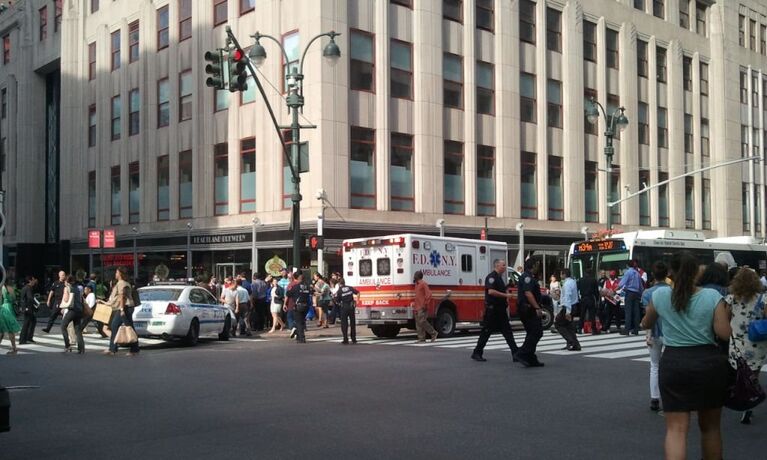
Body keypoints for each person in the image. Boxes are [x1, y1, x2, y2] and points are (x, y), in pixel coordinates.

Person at [641, 252, 731, 460]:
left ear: (671, 271)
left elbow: (646, 322)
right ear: (697, 271)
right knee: (710, 428)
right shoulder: (712, 297)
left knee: (676, 430)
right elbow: (724, 333)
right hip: (708, 363)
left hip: (674, 363)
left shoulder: (660, 295)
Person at [725, 267, 767, 425]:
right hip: (757, 342)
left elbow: (726, 319)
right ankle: (750, 401)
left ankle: (743, 401)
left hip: (737, 342)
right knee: (753, 374)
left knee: (740, 373)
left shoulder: (731, 299)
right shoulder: (763, 298)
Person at [471, 260, 519, 362]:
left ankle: (515, 353)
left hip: (500, 310)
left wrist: (507, 287)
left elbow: (499, 290)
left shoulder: (499, 278)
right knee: (486, 332)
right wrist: (506, 295)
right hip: (493, 311)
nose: (505, 267)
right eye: (503, 265)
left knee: (508, 332)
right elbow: (491, 291)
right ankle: (477, 352)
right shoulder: (491, 277)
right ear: (497, 266)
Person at [641, 261, 671, 412]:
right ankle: (671, 397)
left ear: (653, 274)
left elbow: (648, 316)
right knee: (671, 366)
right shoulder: (673, 291)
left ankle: (654, 398)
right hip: (671, 332)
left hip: (654, 332)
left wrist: (648, 334)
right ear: (667, 274)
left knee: (654, 365)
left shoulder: (647, 293)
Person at [515, 258, 545, 367]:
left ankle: (531, 357)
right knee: (537, 332)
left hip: (527, 309)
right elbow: (528, 293)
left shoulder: (528, 277)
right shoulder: (527, 277)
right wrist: (537, 308)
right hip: (528, 309)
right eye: (536, 265)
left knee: (532, 332)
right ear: (532, 266)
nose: (538, 267)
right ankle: (522, 353)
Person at [106, 267, 140, 356]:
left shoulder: (121, 283)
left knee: (125, 327)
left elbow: (122, 297)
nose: (115, 274)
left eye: (116, 272)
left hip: (125, 308)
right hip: (125, 307)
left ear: (120, 274)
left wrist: (121, 309)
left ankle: (132, 349)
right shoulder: (123, 283)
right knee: (124, 326)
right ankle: (114, 349)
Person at [556, 269, 581, 351]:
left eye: (561, 274)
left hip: (568, 307)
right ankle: (575, 344)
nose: (560, 276)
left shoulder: (567, 284)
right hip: (573, 306)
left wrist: (568, 312)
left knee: (558, 323)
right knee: (569, 326)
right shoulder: (573, 282)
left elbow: (568, 298)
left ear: (564, 274)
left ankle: (571, 341)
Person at [60, 275, 85, 354]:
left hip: (72, 310)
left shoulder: (67, 288)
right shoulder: (78, 288)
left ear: (67, 281)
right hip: (79, 310)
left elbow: (66, 299)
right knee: (78, 329)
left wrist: (64, 295)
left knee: (63, 326)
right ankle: (81, 348)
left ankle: (67, 346)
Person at [412, 271, 439, 343]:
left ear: (418, 276)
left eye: (415, 275)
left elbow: (429, 294)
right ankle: (421, 338)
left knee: (422, 321)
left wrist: (425, 304)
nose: (414, 276)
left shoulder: (423, 284)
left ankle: (433, 333)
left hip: (422, 306)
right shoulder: (416, 284)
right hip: (417, 306)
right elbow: (418, 296)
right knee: (418, 323)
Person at [620, 260, 645, 335]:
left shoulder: (628, 272)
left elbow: (622, 283)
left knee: (628, 311)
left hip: (629, 293)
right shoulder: (637, 273)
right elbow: (640, 286)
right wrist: (641, 294)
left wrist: (615, 290)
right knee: (636, 312)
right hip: (636, 293)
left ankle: (627, 329)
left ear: (627, 266)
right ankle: (636, 329)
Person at [285, 272, 311, 343]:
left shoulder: (295, 287)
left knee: (299, 322)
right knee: (302, 321)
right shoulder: (307, 286)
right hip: (306, 305)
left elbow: (288, 294)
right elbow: (310, 293)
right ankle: (298, 334)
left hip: (298, 306)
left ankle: (301, 338)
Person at [335, 277, 360, 344]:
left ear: (339, 284)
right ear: (344, 282)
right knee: (352, 323)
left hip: (344, 308)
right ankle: (353, 338)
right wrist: (357, 301)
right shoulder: (350, 288)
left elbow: (337, 301)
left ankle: (345, 339)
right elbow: (358, 293)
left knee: (344, 324)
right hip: (351, 307)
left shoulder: (339, 291)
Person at [0, 279, 20, 354]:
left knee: (3, 329)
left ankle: (14, 348)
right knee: (8, 329)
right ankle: (14, 348)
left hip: (4, 308)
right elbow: (14, 298)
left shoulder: (2, 288)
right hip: (10, 307)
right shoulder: (11, 288)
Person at [577, 269, 601, 334]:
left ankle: (579, 328)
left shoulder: (580, 280)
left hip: (583, 298)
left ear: (585, 273)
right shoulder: (593, 280)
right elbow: (596, 291)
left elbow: (578, 289)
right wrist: (598, 299)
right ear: (590, 273)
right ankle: (593, 329)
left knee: (582, 314)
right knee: (592, 314)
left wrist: (578, 298)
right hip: (590, 297)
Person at [19, 276, 38, 344]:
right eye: (33, 280)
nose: (34, 281)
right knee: (26, 324)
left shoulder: (25, 288)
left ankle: (29, 337)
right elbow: (30, 298)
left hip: (26, 308)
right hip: (28, 308)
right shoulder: (28, 288)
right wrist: (36, 304)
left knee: (33, 321)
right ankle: (22, 340)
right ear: (30, 281)